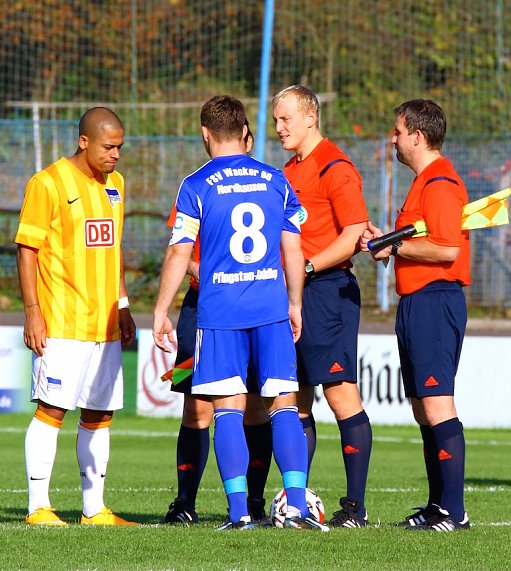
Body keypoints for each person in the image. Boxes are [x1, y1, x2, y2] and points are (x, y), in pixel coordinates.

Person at [153, 95, 327, 531]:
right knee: (283, 407)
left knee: (226, 409)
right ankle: (299, 512)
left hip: (218, 314)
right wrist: (295, 302)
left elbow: (179, 252)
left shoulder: (195, 185)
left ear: (206, 134)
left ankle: (238, 514)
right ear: (244, 132)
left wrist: (161, 310)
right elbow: (293, 246)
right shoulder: (275, 179)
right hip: (270, 311)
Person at [15, 106, 138, 527]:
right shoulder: (47, 183)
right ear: (84, 141)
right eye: (109, 146)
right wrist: (33, 312)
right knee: (52, 410)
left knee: (99, 415)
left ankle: (94, 509)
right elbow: (27, 249)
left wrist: (122, 305)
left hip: (104, 324)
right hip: (62, 321)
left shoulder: (116, 185)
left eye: (120, 146)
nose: (116, 154)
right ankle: (38, 507)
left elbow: (114, 249)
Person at [360, 99, 471, 532]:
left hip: (435, 301)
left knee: (438, 402)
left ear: (418, 137)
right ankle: (437, 505)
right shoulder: (423, 181)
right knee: (423, 407)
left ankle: (454, 511)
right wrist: (387, 243)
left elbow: (446, 248)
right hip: (417, 302)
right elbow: (421, 240)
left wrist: (395, 247)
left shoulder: (440, 182)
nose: (393, 138)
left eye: (398, 131)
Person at [163, 121, 275, 526]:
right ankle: (185, 502)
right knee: (195, 406)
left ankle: (255, 501)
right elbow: (182, 250)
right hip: (199, 309)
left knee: (255, 407)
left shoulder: (261, 183)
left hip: (250, 310)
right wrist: (211, 274)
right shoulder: (198, 186)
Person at [271, 85, 373, 527]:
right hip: (293, 293)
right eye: (276, 121)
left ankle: (354, 508)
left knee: (340, 395)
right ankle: (300, 500)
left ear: (311, 117)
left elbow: (353, 234)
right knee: (296, 401)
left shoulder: (336, 166)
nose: (278, 128)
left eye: (285, 119)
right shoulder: (288, 169)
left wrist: (307, 267)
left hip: (327, 291)